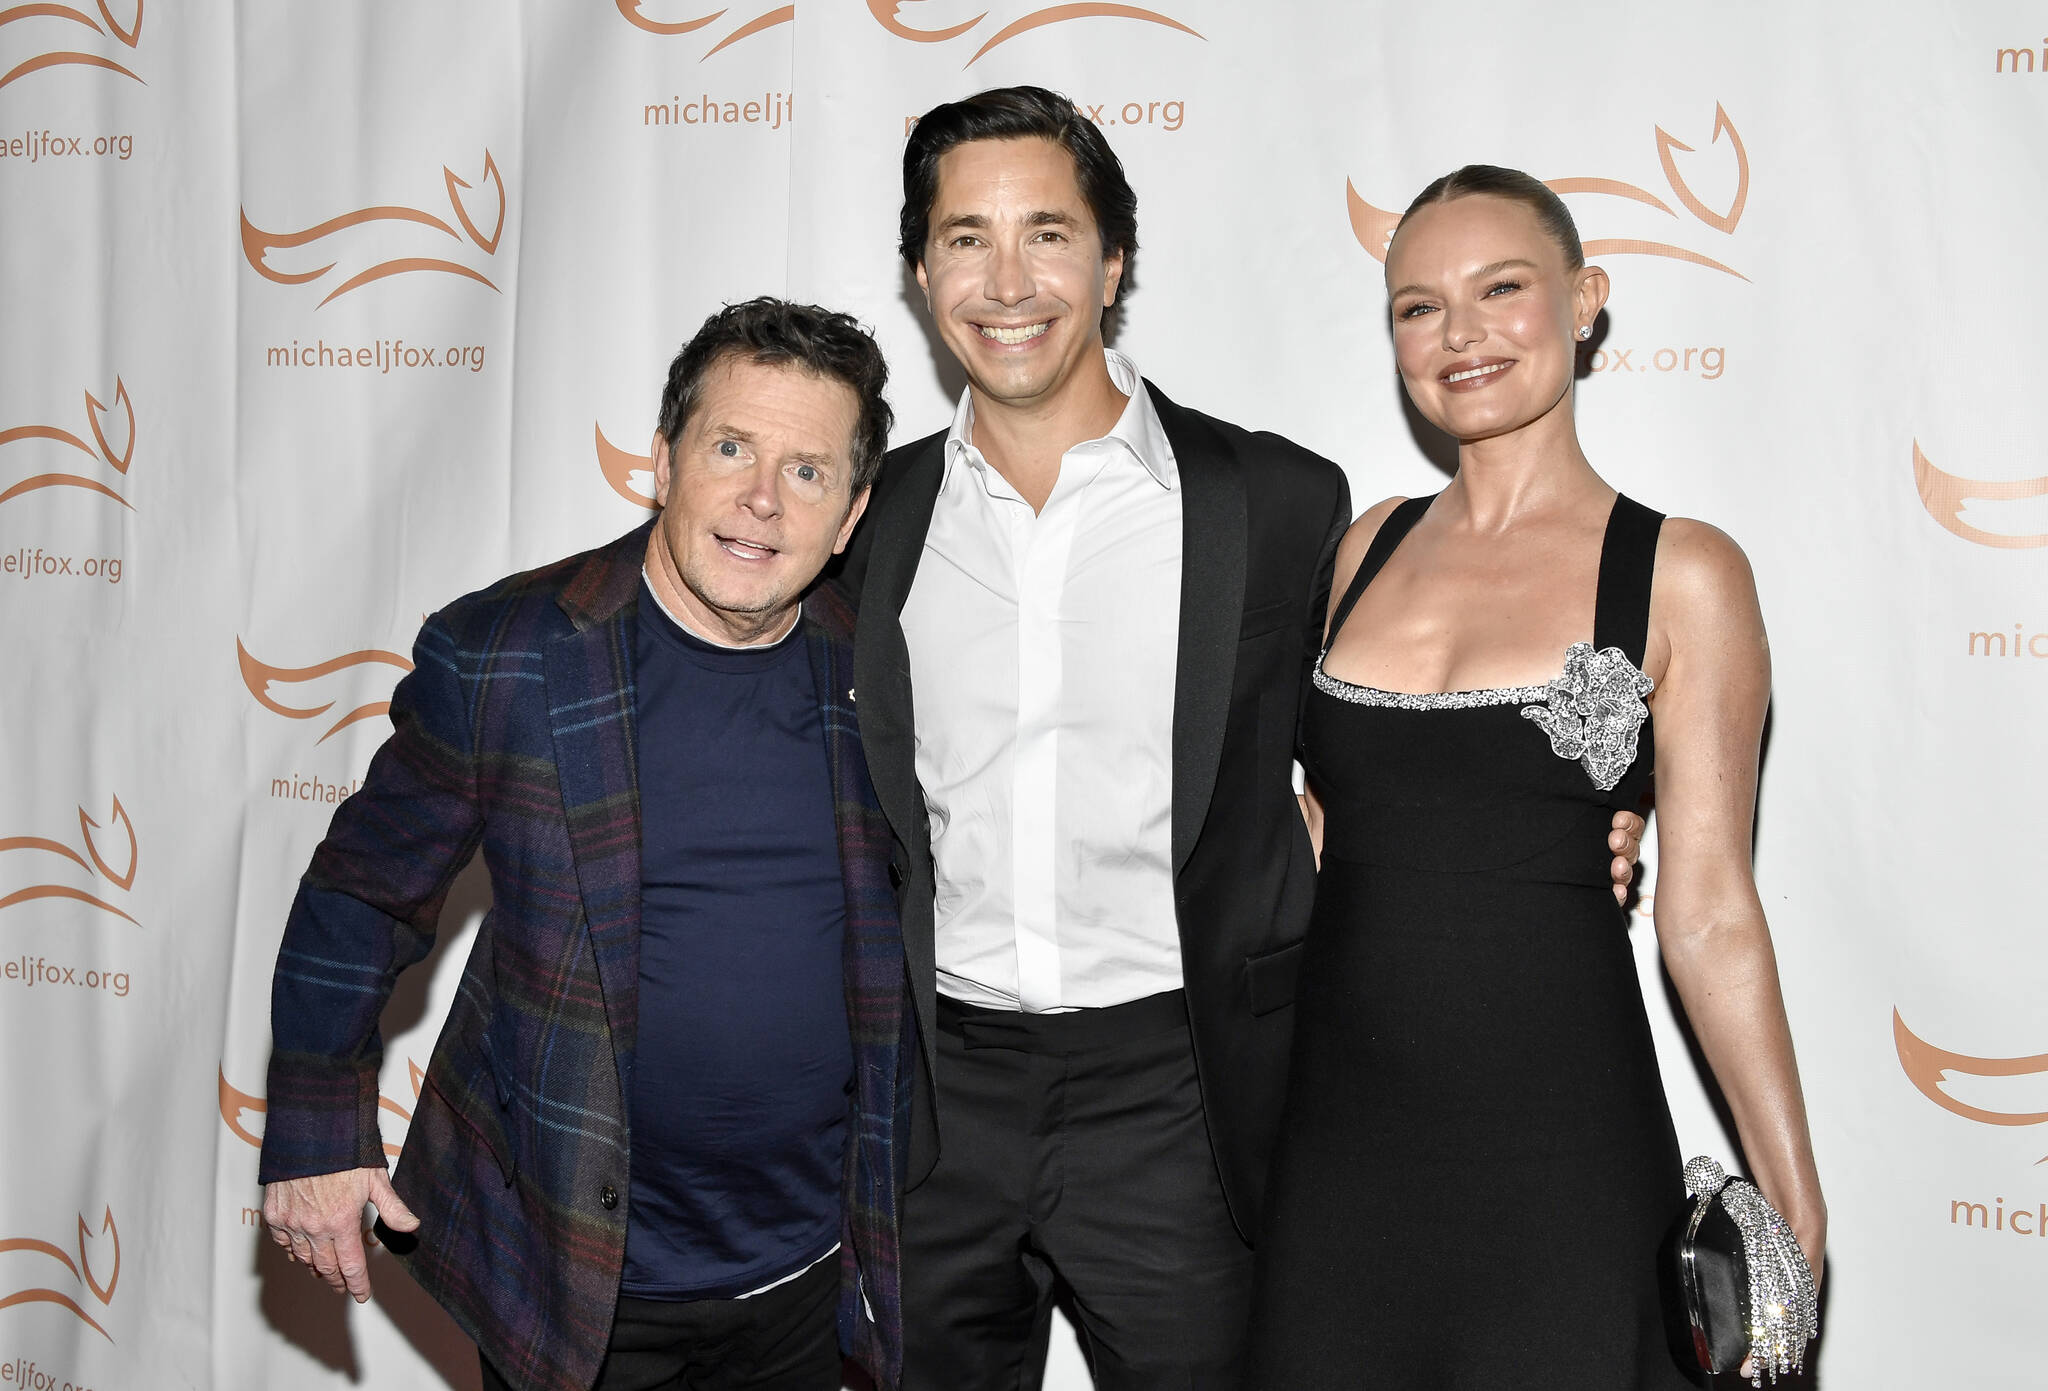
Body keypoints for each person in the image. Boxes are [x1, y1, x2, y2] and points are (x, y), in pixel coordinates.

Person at [839, 93, 1647, 1390]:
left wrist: (1589, 802)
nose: (1006, 280)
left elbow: (1385, 738)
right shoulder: (870, 518)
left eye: (1046, 233)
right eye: (963, 238)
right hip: (936, 1093)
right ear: (922, 269)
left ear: (1111, 261)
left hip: (1184, 1096)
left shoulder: (1279, 504)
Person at [256, 298, 913, 1391]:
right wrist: (317, 1129)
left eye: (808, 472)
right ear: (665, 461)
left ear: (848, 517)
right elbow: (360, 892)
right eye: (732, 447)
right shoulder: (509, 653)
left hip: (811, 1270)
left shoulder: (878, 667)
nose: (761, 497)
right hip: (573, 1276)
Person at [1242, 166, 1827, 1388]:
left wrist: (1794, 1201)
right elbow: (1329, 822)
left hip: (1560, 1155)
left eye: (1499, 288)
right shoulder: (1365, 543)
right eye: (1416, 305)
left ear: (1583, 300)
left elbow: (1710, 907)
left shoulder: (1682, 573)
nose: (1457, 333)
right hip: (1340, 1146)